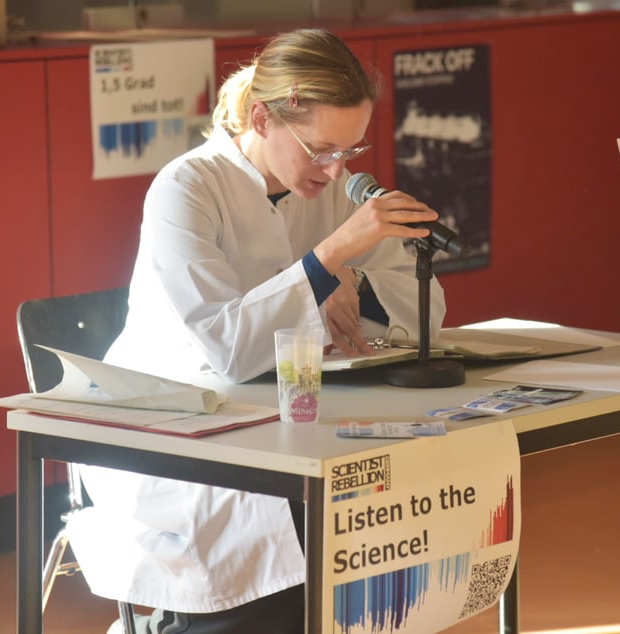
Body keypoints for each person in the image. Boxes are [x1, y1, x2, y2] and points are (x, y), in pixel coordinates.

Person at [70, 28, 448, 633]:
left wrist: (354, 280)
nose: (336, 169)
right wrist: (328, 262)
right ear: (261, 116)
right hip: (170, 433)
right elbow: (227, 347)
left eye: (350, 151)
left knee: (398, 488)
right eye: (321, 149)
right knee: (284, 515)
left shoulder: (324, 188)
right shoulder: (186, 188)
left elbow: (421, 309)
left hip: (285, 423)